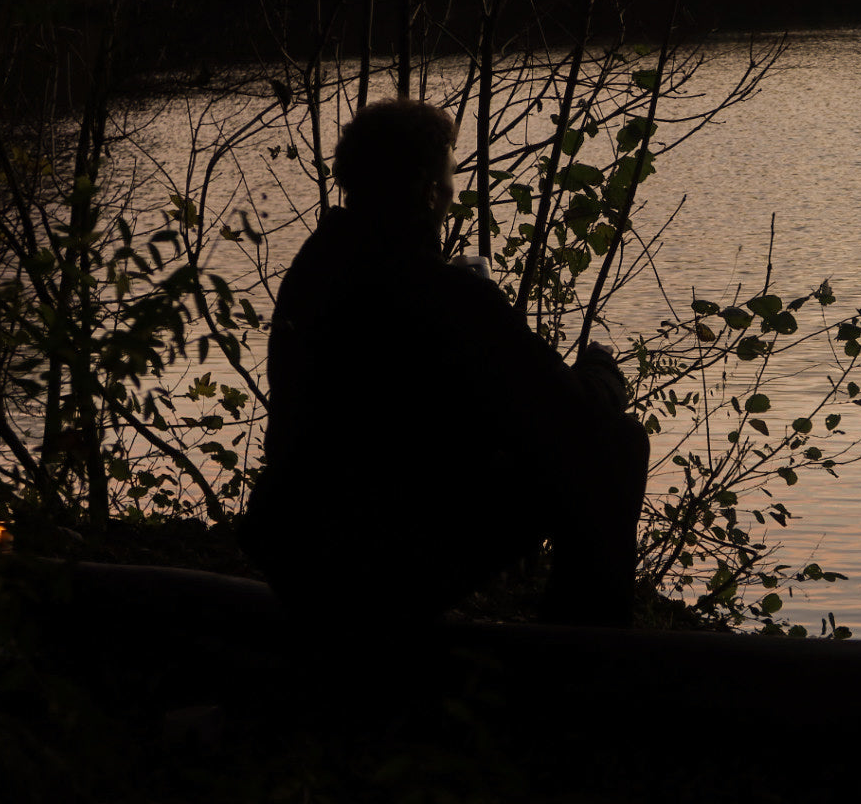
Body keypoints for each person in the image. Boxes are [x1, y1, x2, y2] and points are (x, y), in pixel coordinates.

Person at [240, 99, 648, 636]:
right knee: (616, 443)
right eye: (450, 177)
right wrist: (602, 369)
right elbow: (570, 411)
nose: (454, 192)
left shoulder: (316, 265)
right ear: (430, 190)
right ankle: (584, 655)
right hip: (378, 560)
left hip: (296, 547)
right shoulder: (442, 293)